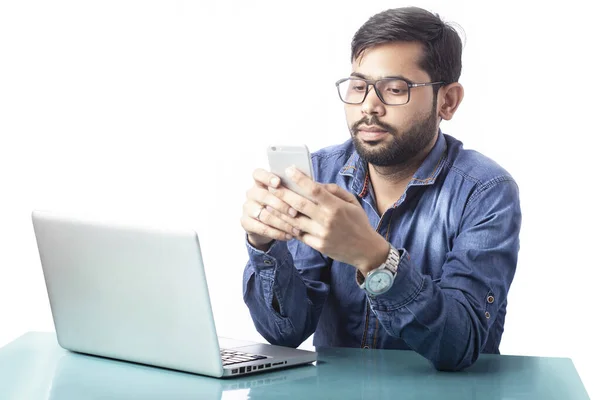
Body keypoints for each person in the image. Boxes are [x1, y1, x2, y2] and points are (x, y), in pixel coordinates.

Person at [240, 6, 521, 371]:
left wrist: (374, 258)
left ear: (447, 101)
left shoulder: (485, 191)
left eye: (394, 89)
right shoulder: (322, 173)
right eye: (359, 87)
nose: (369, 106)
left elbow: (459, 343)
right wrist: (265, 245)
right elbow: (285, 333)